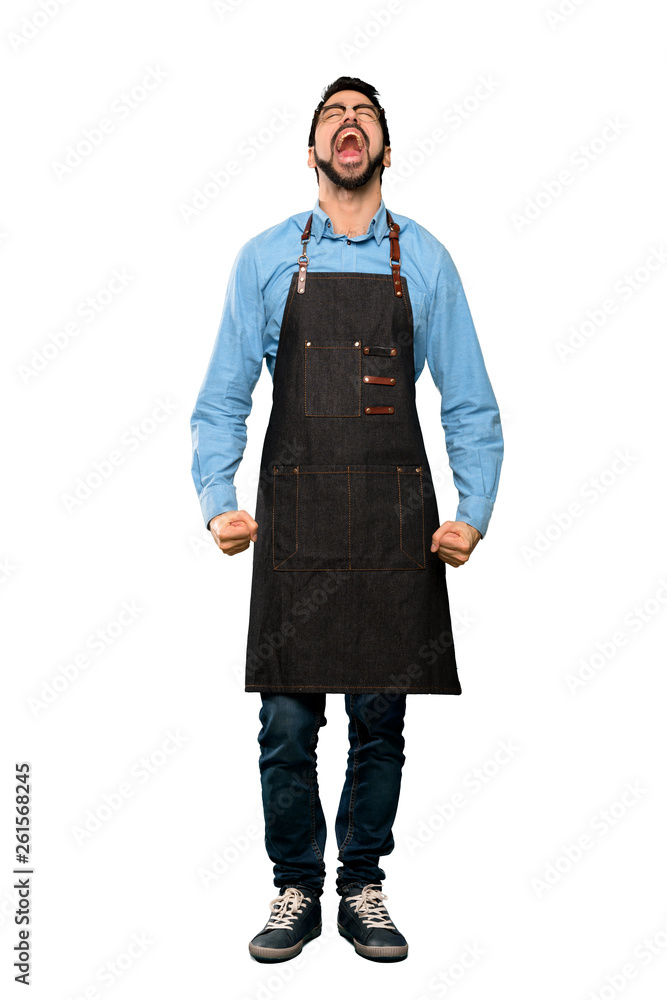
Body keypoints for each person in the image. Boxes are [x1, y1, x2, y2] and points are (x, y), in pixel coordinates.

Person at [190, 76, 503, 963]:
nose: (348, 124)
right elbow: (220, 399)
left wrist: (471, 512)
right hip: (293, 527)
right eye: (332, 115)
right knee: (287, 724)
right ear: (313, 151)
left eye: (363, 115)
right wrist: (220, 500)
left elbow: (469, 404)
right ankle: (295, 884)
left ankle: (360, 881)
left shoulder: (426, 261)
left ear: (386, 151)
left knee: (380, 722)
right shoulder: (263, 259)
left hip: (392, 529)